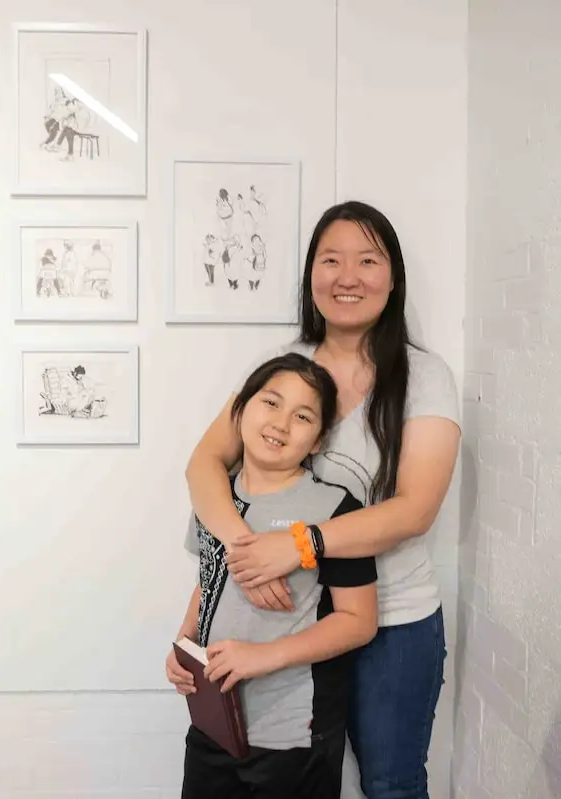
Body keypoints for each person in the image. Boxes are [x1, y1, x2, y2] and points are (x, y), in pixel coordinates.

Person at [183, 201, 461, 799]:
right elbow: (204, 463)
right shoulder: (285, 373)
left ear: (394, 277)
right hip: (294, 618)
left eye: (367, 260)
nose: (348, 276)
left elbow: (416, 508)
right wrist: (247, 551)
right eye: (330, 260)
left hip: (393, 621)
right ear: (311, 275)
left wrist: (299, 544)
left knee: (390, 783)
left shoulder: (424, 375)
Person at [167, 353, 379, 799]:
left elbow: (359, 621)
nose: (281, 424)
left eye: (302, 416)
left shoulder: (335, 510)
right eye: (271, 403)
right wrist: (184, 646)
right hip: (214, 725)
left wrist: (264, 657)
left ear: (319, 440)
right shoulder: (215, 497)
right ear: (240, 412)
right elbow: (209, 580)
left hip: (292, 735)